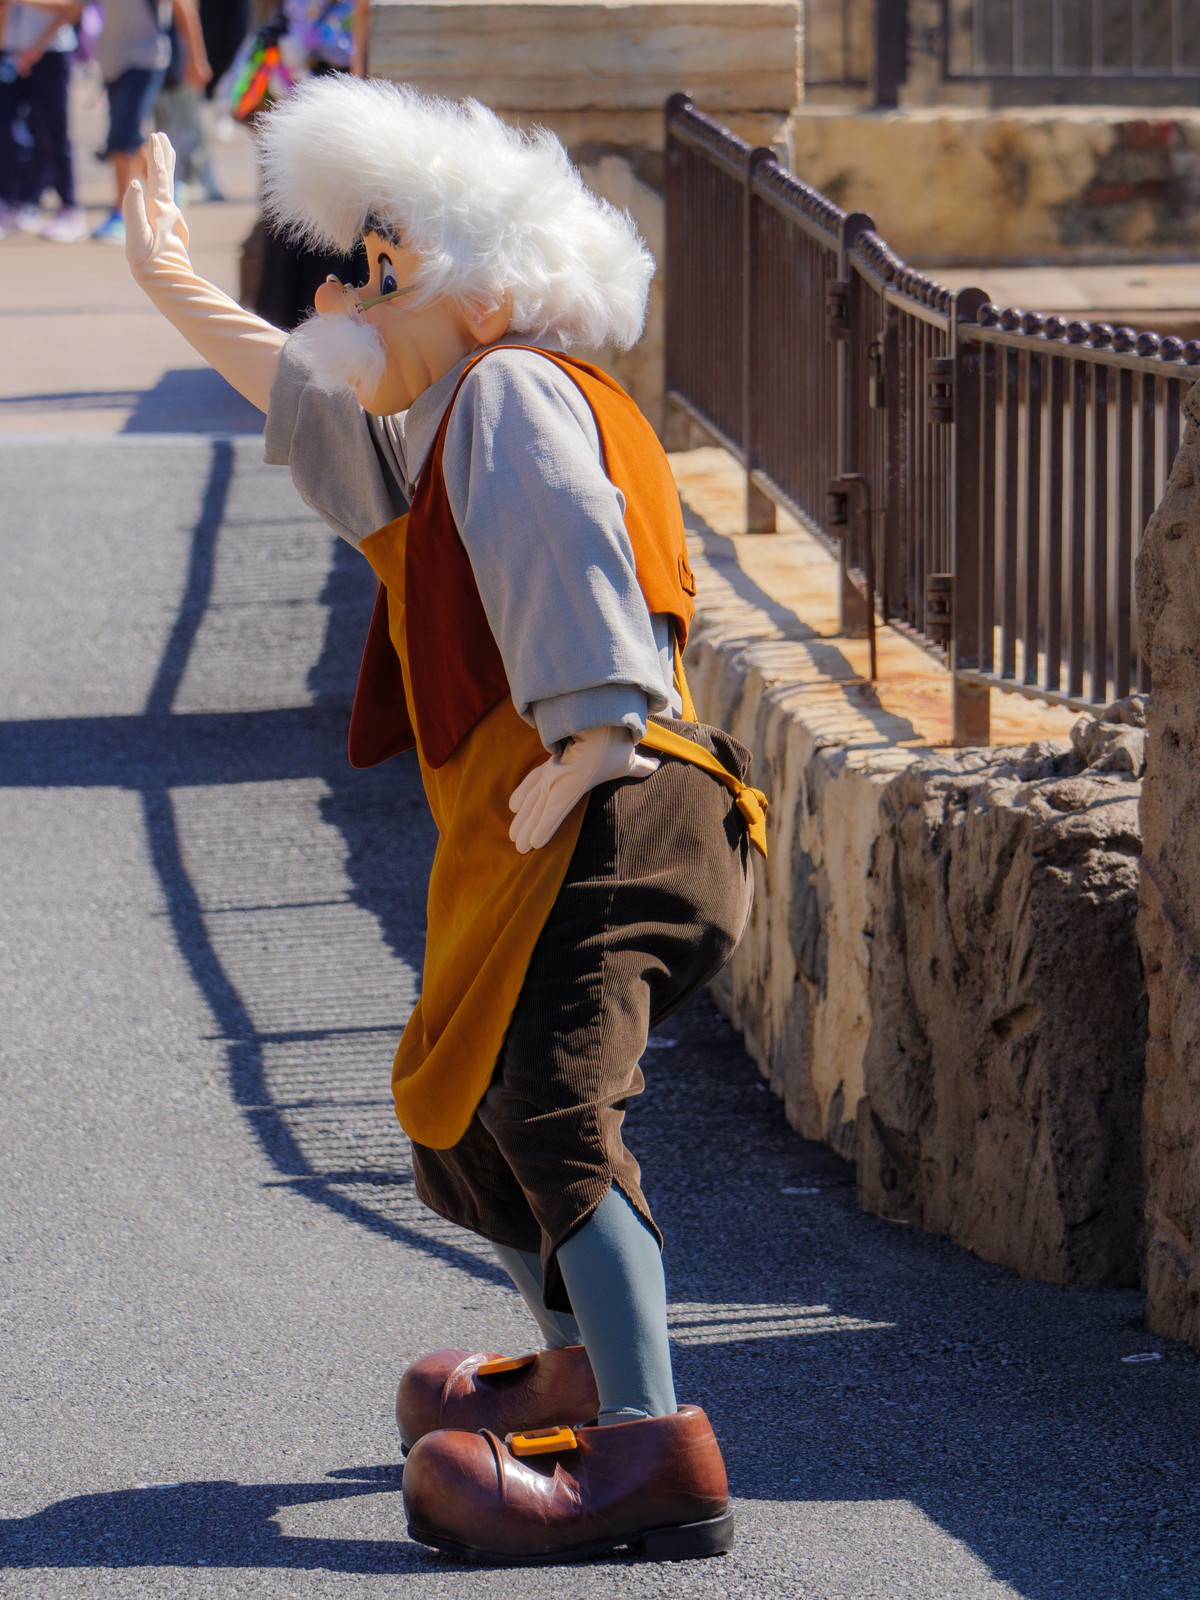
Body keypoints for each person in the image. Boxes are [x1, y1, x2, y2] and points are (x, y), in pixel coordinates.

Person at [121, 78, 768, 1564]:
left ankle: (652, 1447)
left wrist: (594, 733)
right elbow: (308, 401)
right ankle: (582, 1372)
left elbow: (569, 544)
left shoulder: (515, 392)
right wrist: (170, 279)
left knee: (548, 1102)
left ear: (481, 290)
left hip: (624, 802)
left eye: (377, 271)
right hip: (554, 813)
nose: (345, 296)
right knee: (463, 1106)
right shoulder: (441, 424)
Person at [93, 0, 210, 243]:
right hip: (111, 60)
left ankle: (121, 213)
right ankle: (168, 186)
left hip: (147, 56)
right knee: (128, 137)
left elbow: (182, 7)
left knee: (123, 135)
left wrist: (196, 58)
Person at [0, 0, 84, 241]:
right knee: (6, 129)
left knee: (52, 131)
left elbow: (73, 7)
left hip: (51, 52)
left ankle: (69, 206)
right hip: (9, 53)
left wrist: (35, 49)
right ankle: (12, 202)